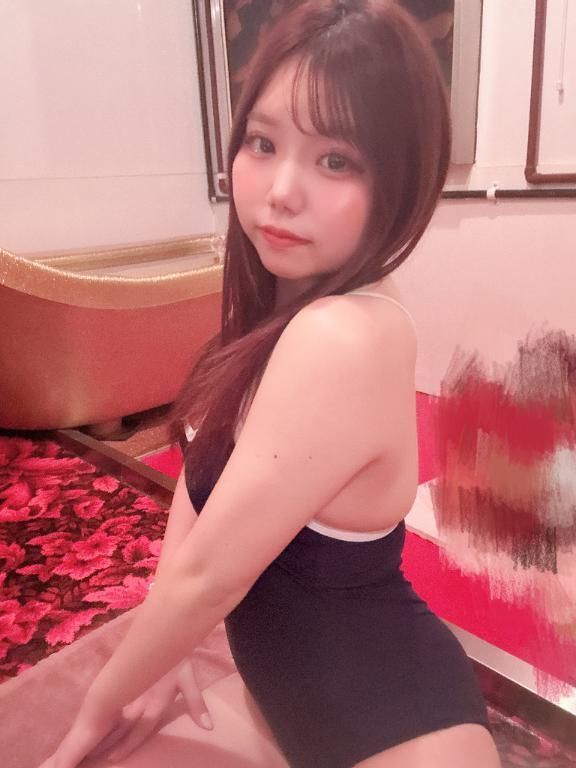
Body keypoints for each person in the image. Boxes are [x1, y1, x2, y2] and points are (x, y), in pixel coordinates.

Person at [41, 1, 502, 766]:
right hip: (279, 701)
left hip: (398, 728)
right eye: (263, 143)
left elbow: (209, 580)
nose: (282, 190)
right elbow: (201, 488)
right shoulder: (275, 309)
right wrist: (165, 653)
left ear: (399, 180)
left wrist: (92, 713)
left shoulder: (344, 334)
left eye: (336, 160)